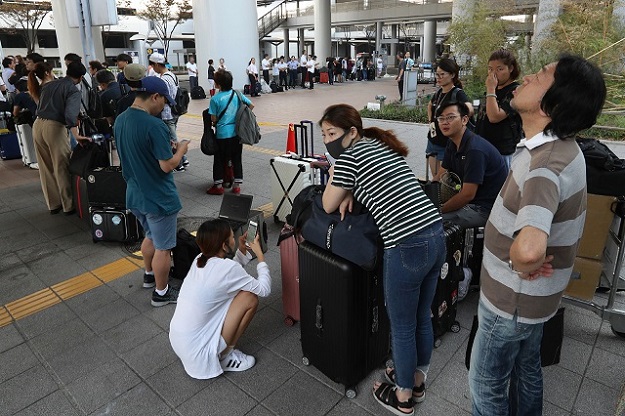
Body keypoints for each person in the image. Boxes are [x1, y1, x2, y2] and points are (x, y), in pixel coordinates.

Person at [468, 55, 606, 416]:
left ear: (554, 103)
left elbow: (529, 251)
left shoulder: (544, 165)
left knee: (486, 387)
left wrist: (518, 258)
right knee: (527, 369)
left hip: (510, 303)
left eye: (542, 75)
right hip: (538, 302)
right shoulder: (563, 147)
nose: (528, 76)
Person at [319, 104, 444, 416]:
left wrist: (336, 176)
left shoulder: (348, 158)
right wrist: (351, 191)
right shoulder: (378, 145)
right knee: (421, 316)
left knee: (402, 326)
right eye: (323, 134)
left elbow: (326, 202)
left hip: (406, 245)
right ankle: (416, 380)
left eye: (332, 133)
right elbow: (378, 185)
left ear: (352, 132)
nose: (327, 140)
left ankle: (403, 398)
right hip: (436, 233)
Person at [114, 76, 189, 306]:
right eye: (164, 102)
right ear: (155, 96)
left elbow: (138, 151)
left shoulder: (120, 120)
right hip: (158, 198)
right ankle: (161, 292)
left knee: (150, 236)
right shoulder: (155, 125)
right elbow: (167, 165)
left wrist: (166, 148)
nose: (164, 107)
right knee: (164, 248)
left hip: (135, 195)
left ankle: (149, 275)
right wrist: (182, 149)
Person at [169, 218, 271, 379]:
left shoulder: (200, 259)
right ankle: (225, 355)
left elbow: (228, 276)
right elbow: (264, 289)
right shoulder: (227, 269)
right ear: (224, 245)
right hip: (199, 352)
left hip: (179, 342)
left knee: (239, 294)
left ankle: (220, 349)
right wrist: (260, 256)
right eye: (231, 237)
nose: (234, 239)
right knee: (250, 298)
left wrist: (241, 251)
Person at [30, 61, 90, 215]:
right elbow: (71, 115)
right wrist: (77, 135)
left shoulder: (50, 85)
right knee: (61, 165)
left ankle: (53, 204)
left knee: (45, 167)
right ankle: (68, 205)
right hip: (54, 127)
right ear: (81, 77)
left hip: (37, 125)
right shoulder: (72, 90)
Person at [438, 101, 507, 229]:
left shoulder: (475, 150)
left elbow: (467, 195)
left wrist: (438, 210)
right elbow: (439, 176)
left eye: (450, 117)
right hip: (469, 202)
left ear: (464, 120)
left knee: (432, 222)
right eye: (441, 118)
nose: (445, 122)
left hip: (484, 209)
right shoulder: (452, 142)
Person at [206, 70, 253, 196]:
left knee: (220, 159)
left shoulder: (215, 99)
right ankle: (236, 186)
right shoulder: (237, 94)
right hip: (236, 134)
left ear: (219, 85)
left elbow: (214, 118)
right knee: (236, 158)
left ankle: (218, 185)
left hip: (222, 135)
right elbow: (251, 105)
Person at [475, 49, 524, 169]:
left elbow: (494, 117)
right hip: (483, 147)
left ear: (511, 68)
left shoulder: (516, 91)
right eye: (490, 69)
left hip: (501, 151)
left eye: (499, 69)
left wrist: (490, 89)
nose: (493, 73)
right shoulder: (493, 89)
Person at [426, 58, 474, 182]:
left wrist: (454, 122)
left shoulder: (458, 93)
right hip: (433, 140)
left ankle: (445, 201)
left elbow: (469, 110)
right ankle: (437, 200)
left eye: (442, 74)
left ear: (452, 75)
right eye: (437, 74)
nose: (439, 77)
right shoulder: (438, 93)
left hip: (447, 144)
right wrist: (431, 121)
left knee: (442, 180)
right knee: (435, 177)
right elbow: (430, 105)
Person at [149, 52, 188, 172]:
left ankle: (180, 163)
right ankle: (183, 159)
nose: (152, 67)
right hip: (174, 111)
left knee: (172, 138)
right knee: (171, 137)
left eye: (152, 65)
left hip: (167, 113)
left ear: (156, 64)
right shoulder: (171, 75)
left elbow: (165, 97)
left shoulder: (164, 79)